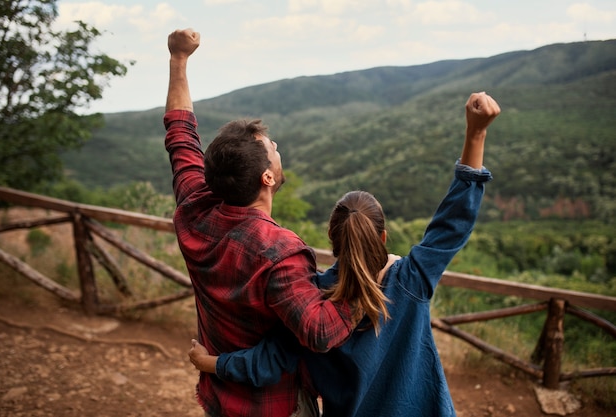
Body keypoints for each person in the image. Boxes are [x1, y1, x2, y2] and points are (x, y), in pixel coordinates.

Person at [188, 92, 501, 417]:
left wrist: (213, 363)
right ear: (381, 237)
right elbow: (452, 224)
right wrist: (476, 133)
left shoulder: (313, 300)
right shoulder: (409, 281)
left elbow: (270, 360)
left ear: (331, 239)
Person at [164, 29, 355, 417]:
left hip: (218, 393)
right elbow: (319, 332)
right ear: (267, 178)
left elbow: (179, 132)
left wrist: (178, 59)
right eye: (273, 150)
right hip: (273, 405)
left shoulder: (194, 206)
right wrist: (366, 284)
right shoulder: (280, 252)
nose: (277, 148)